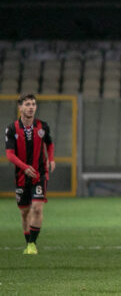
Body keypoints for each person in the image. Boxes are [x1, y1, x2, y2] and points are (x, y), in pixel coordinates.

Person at [5, 93, 55, 255]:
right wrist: (24, 167)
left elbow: (49, 143)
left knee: (37, 208)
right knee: (24, 212)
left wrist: (51, 159)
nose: (31, 107)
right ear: (20, 107)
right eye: (27, 104)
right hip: (21, 175)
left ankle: (33, 244)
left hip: (39, 173)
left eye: (33, 104)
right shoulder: (12, 128)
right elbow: (10, 154)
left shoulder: (42, 126)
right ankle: (28, 243)